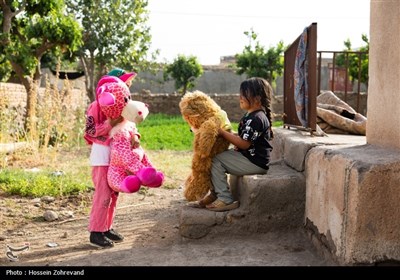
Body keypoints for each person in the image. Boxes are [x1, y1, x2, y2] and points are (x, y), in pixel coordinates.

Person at [201, 77, 274, 212]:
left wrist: (222, 133)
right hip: (250, 159)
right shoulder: (251, 116)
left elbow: (244, 144)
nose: (240, 97)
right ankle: (215, 193)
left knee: (216, 160)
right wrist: (229, 134)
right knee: (214, 156)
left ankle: (225, 198)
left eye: (244, 94)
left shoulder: (257, 118)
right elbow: (243, 138)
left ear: (257, 98)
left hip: (255, 162)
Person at [84, 68, 137, 248]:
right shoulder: (96, 106)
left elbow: (129, 126)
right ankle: (96, 233)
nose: (128, 87)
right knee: (103, 194)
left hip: (116, 155)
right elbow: (90, 131)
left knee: (114, 193)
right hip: (102, 156)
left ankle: (106, 227)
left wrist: (135, 138)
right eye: (125, 83)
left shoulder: (124, 105)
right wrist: (109, 124)